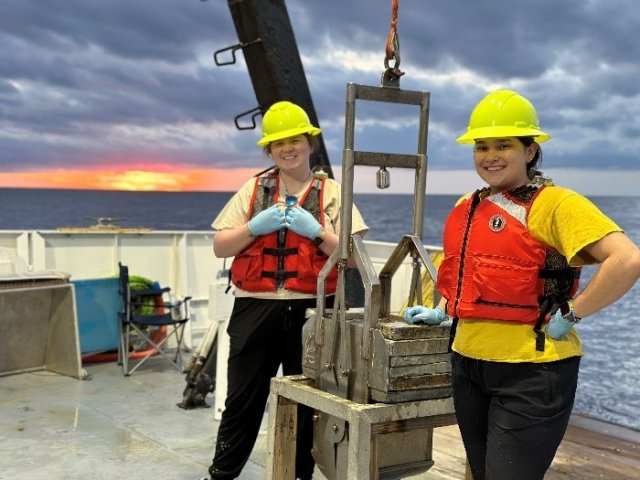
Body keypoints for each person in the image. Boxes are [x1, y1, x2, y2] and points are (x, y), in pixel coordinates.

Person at [403, 89, 640, 480]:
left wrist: (572, 313)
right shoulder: (468, 204)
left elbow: (627, 260)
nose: (490, 155)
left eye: (504, 145)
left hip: (532, 371)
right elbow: (466, 272)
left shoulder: (556, 205)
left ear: (530, 151)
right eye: (481, 146)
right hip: (468, 362)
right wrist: (442, 310)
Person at [203, 100, 368, 480]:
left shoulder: (332, 193)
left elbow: (356, 258)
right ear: (269, 150)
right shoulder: (252, 189)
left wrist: (318, 233)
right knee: (242, 400)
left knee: (309, 403)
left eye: (294, 140)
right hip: (254, 308)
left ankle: (298, 476)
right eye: (278, 143)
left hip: (313, 311)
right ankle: (221, 474)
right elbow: (220, 246)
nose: (287, 149)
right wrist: (252, 228)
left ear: (310, 143)